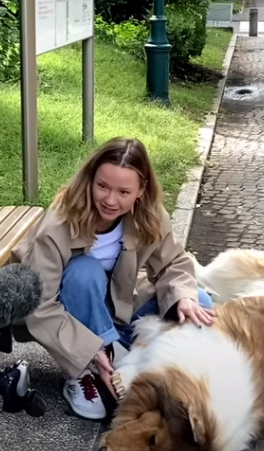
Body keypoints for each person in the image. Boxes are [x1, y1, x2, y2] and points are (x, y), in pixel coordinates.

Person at [11, 137, 215, 421]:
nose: (110, 200)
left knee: (199, 303)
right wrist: (90, 350)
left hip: (118, 311)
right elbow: (39, 305)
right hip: (72, 320)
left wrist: (184, 297)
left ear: (141, 191)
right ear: (90, 179)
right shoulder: (59, 222)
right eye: (102, 186)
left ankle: (136, 364)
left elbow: (173, 263)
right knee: (84, 271)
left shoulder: (150, 216)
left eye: (123, 191)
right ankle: (82, 371)